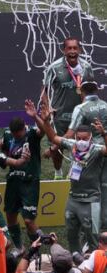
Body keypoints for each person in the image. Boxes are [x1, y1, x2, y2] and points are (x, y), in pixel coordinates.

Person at [31, 103, 107, 252]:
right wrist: (45, 121)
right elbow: (53, 138)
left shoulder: (96, 150)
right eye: (79, 138)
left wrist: (104, 134)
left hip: (91, 201)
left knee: (93, 238)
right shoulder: (72, 144)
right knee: (71, 235)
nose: (81, 141)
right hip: (73, 199)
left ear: (91, 138)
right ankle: (75, 259)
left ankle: (95, 263)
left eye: (85, 139)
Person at [42, 37, 93, 179]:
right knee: (57, 148)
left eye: (75, 48)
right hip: (59, 116)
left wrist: (88, 108)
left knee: (79, 147)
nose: (72, 51)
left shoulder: (86, 67)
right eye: (69, 48)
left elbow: (91, 89)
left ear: (80, 50)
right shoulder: (54, 67)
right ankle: (58, 172)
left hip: (79, 116)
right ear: (63, 50)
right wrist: (48, 107)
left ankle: (73, 175)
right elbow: (44, 90)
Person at [65, 81, 107, 229]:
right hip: (105, 149)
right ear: (97, 90)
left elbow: (71, 133)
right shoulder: (106, 105)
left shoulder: (81, 108)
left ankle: (93, 225)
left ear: (81, 92)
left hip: (92, 154)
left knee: (91, 189)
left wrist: (54, 146)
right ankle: (104, 223)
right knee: (104, 186)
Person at [4, 106, 44, 250]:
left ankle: (36, 249)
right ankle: (19, 248)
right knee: (10, 215)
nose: (16, 137)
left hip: (30, 182)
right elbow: (5, 153)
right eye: (14, 134)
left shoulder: (32, 133)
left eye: (19, 134)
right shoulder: (7, 135)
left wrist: (35, 116)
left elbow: (43, 130)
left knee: (28, 221)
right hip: (13, 181)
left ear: (24, 129)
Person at [16, 234, 81, 273]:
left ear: (52, 264)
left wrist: (31, 251)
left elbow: (18, 272)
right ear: (71, 264)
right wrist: (55, 243)